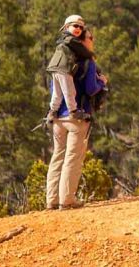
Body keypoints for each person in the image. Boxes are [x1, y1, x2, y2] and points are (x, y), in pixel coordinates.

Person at [45, 23, 106, 211]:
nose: (93, 41)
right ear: (84, 40)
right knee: (72, 159)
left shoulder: (62, 58)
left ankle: (52, 200)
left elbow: (53, 88)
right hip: (77, 117)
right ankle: (67, 200)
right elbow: (90, 88)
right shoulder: (88, 62)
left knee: (57, 157)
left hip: (58, 118)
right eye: (91, 38)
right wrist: (101, 82)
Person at [46, 15, 94, 121]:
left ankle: (52, 112)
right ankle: (73, 112)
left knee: (57, 93)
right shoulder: (71, 39)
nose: (78, 29)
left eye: (81, 27)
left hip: (55, 68)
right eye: (75, 26)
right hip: (64, 68)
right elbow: (82, 51)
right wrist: (91, 55)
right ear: (66, 27)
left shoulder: (63, 39)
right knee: (69, 91)